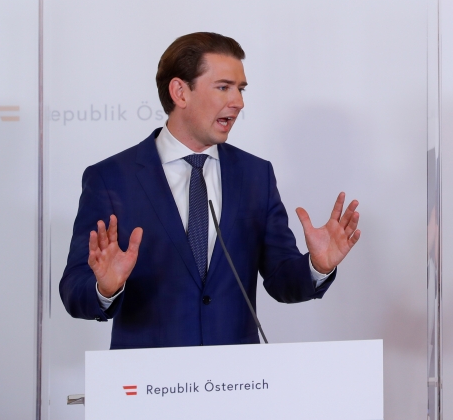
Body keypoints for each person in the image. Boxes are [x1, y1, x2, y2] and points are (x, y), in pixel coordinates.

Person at [59, 32, 361, 348]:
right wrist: (104, 289)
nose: (239, 102)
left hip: (236, 383)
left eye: (240, 89)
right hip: (148, 385)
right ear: (180, 92)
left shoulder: (255, 175)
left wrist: (317, 266)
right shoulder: (111, 178)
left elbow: (281, 281)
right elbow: (74, 289)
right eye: (223, 87)